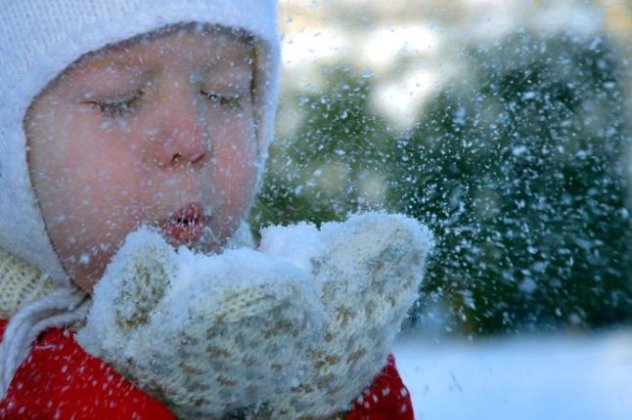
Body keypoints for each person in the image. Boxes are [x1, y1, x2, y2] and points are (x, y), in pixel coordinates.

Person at [0, 0, 418, 418]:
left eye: (225, 93)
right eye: (120, 100)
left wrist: (337, 396)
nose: (192, 139)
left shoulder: (282, 319)